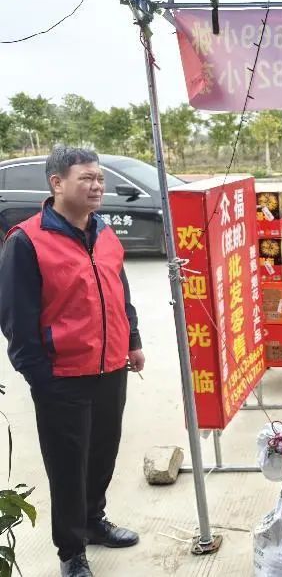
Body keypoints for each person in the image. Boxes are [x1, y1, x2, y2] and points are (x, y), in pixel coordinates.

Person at [0, 147, 144, 577]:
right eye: (86, 178)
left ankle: (94, 521)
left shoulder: (104, 232)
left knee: (102, 454)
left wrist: (132, 341)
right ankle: (71, 550)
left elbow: (119, 292)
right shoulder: (26, 241)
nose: (97, 186)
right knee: (67, 467)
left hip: (111, 368)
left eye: (99, 178)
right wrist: (41, 378)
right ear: (57, 183)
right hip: (62, 378)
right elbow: (16, 319)